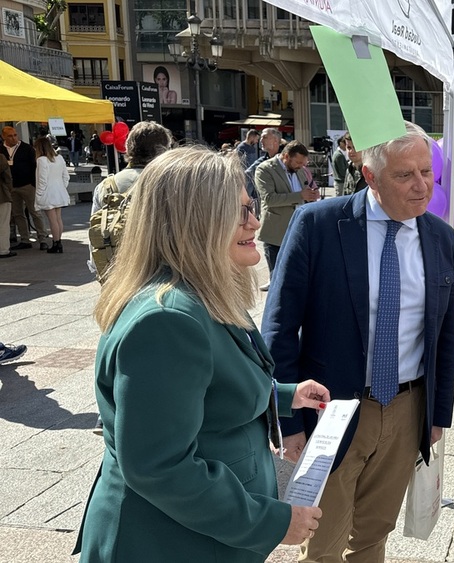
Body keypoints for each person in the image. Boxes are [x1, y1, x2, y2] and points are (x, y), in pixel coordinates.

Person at [74, 146, 329, 562]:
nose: (255, 222)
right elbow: (161, 465)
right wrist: (270, 522)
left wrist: (282, 395)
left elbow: (206, 390)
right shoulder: (168, 320)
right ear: (198, 222)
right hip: (165, 544)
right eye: (243, 212)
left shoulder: (198, 294)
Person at [261, 121, 454, 563]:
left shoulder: (441, 238)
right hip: (331, 412)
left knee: (373, 536)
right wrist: (287, 421)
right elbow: (279, 326)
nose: (421, 186)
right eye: (404, 175)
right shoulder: (318, 225)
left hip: (406, 409)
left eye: (427, 172)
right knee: (323, 542)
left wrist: (436, 414)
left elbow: (445, 336)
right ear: (370, 177)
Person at [88, 121, 173, 273]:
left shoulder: (107, 186)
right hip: (161, 271)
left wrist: (98, 268)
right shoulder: (171, 182)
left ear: (128, 148)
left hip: (117, 271)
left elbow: (96, 229)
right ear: (164, 150)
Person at [255, 140, 320, 274]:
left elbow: (304, 192)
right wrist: (300, 196)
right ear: (286, 156)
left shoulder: (300, 170)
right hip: (276, 233)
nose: (301, 166)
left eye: (303, 163)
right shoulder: (265, 169)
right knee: (277, 275)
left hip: (299, 231)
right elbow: (269, 199)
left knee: (296, 274)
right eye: (298, 163)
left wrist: (312, 195)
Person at [33, 136, 70, 254]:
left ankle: (56, 242)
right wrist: (62, 187)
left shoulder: (41, 160)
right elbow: (66, 176)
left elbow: (42, 180)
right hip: (59, 191)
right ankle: (58, 242)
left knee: (52, 220)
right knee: (58, 218)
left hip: (48, 193)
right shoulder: (59, 158)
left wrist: (38, 195)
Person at [245, 127, 282, 201]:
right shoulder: (262, 160)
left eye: (265, 137)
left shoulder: (285, 159)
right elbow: (247, 174)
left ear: (276, 140)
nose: (261, 140)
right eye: (261, 137)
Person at [0, 154, 14, 258]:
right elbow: (7, 177)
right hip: (2, 195)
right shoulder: (1, 158)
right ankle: (3, 249)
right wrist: (9, 190)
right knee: (3, 223)